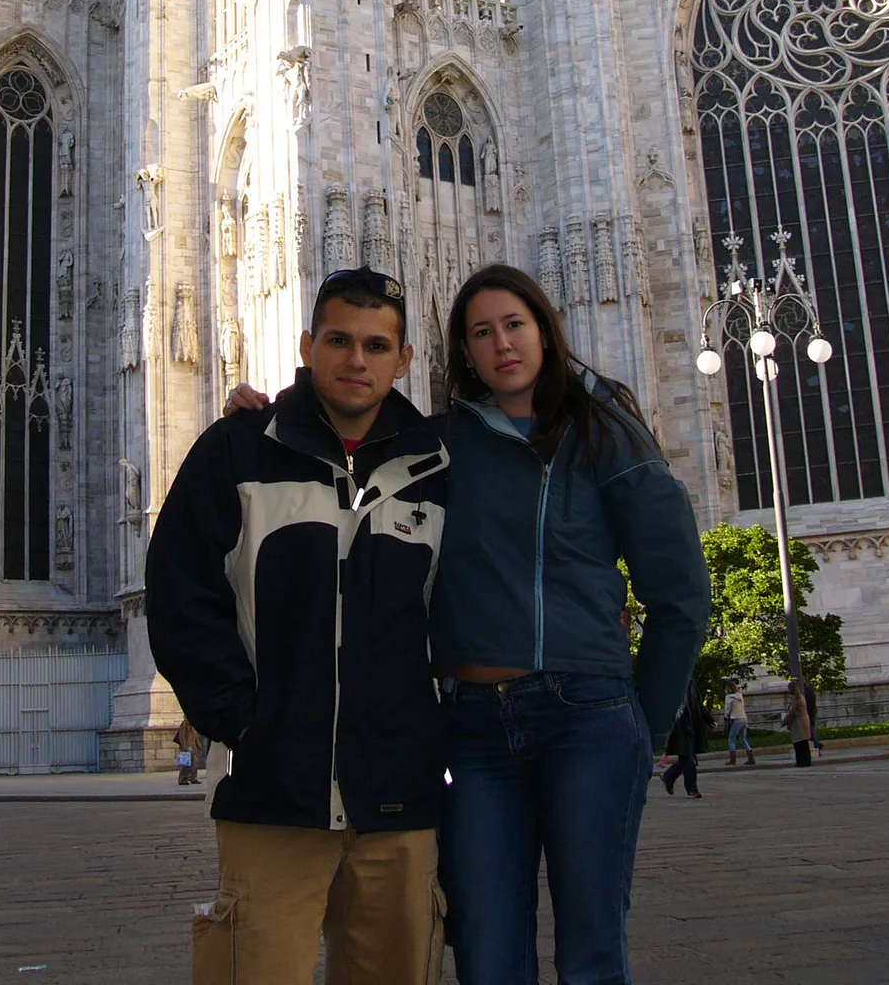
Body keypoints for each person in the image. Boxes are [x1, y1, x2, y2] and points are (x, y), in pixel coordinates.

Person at [228, 260, 709, 984]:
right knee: (484, 953)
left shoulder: (604, 431)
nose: (502, 344)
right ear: (463, 351)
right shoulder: (443, 442)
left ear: (544, 330)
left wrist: (648, 724)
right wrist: (268, 420)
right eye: (482, 332)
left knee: (590, 951)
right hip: (477, 728)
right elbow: (356, 451)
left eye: (515, 325)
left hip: (586, 715)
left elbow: (680, 593)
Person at [146, 268, 450, 985]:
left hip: (397, 801)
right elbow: (181, 590)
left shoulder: (439, 469)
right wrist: (242, 721)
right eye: (339, 340)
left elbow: (458, 612)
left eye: (377, 346)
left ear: (405, 360)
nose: (357, 360)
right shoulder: (237, 450)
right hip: (273, 795)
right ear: (308, 345)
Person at [661, 680, 711, 798]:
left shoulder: (691, 684)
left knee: (688, 757)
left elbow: (698, 705)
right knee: (688, 758)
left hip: (691, 725)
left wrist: (709, 719)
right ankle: (692, 789)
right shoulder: (672, 682)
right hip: (678, 726)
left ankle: (669, 776)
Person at [723, 679, 756, 766]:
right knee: (743, 739)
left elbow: (727, 710)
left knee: (731, 739)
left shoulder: (729, 697)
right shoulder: (740, 696)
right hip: (744, 718)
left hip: (736, 719)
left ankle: (733, 759)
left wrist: (726, 718)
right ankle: (751, 757)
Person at [782, 678, 813, 767]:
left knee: (799, 742)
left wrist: (785, 722)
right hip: (802, 720)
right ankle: (803, 761)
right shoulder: (801, 697)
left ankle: (802, 761)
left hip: (799, 722)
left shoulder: (797, 699)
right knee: (803, 742)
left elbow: (792, 712)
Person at [174, 717, 202, 786]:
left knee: (195, 763)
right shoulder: (185, 724)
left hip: (192, 747)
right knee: (185, 764)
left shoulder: (192, 725)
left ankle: (192, 777)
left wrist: (198, 745)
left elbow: (195, 736)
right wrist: (184, 746)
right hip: (187, 747)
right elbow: (182, 736)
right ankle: (182, 779)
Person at [803, 677, 824, 753]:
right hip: (810, 714)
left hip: (810, 715)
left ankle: (817, 746)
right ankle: (817, 745)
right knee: (811, 733)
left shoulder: (807, 691)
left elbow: (810, 704)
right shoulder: (808, 690)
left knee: (811, 733)